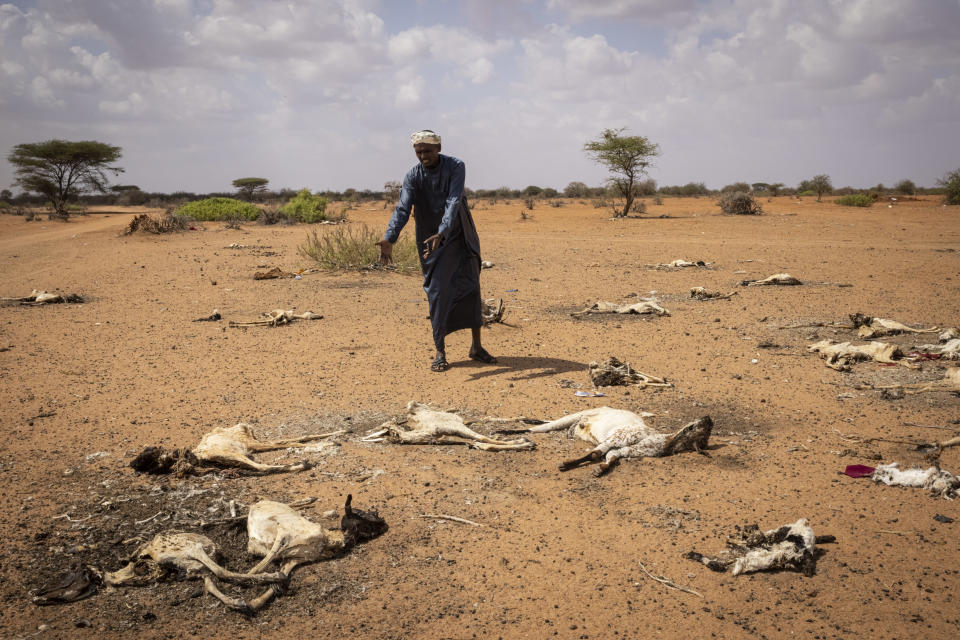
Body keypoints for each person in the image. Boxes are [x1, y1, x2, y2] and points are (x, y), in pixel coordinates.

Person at [377, 130, 497, 372]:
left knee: (471, 287)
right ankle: (440, 351)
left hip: (460, 232)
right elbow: (403, 208)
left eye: (427, 151)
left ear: (439, 147)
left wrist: (444, 230)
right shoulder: (413, 175)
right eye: (418, 152)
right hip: (429, 238)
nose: (423, 156)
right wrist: (390, 237)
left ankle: (476, 347)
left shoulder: (456, 166)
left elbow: (454, 200)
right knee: (438, 291)